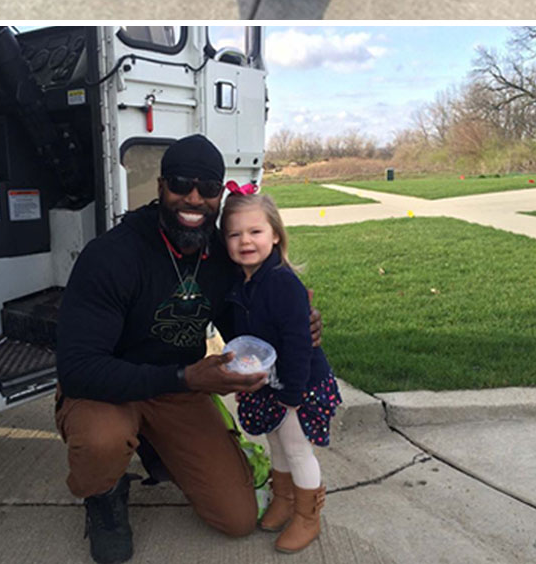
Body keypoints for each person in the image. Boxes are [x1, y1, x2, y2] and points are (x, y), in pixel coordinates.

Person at [55, 135, 322, 564]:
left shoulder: (220, 254)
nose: (193, 198)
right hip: (108, 390)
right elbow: (77, 369)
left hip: (177, 390)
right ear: (161, 186)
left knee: (237, 519)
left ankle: (159, 447)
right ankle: (103, 494)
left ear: (220, 194)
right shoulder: (111, 255)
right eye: (180, 183)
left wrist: (294, 325)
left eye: (208, 188)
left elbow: (243, 322)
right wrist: (186, 377)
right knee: (102, 441)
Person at [221, 190, 341, 553]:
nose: (245, 241)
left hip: (297, 384)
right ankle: (284, 499)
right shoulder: (242, 282)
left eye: (255, 232)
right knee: (275, 443)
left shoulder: (282, 282)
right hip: (269, 383)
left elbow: (298, 342)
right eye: (234, 234)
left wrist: (293, 393)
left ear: (275, 235)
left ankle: (308, 516)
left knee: (297, 448)